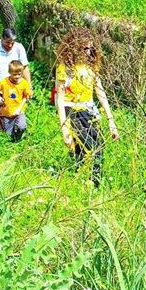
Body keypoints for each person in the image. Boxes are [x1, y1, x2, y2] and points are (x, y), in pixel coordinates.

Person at [55, 27, 119, 188]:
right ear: (75, 47)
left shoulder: (91, 66)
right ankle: (91, 184)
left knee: (90, 149)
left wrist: (111, 121)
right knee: (94, 148)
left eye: (91, 48)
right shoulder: (66, 68)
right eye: (84, 48)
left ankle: (83, 182)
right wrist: (64, 128)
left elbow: (100, 92)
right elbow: (60, 98)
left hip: (89, 110)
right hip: (73, 111)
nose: (88, 52)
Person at [0, 60, 33, 142]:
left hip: (19, 110)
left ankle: (18, 138)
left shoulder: (24, 83)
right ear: (9, 72)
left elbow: (26, 96)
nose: (17, 76)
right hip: (7, 112)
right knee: (8, 135)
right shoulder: (4, 82)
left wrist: (19, 108)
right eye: (14, 74)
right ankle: (12, 140)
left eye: (19, 74)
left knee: (22, 126)